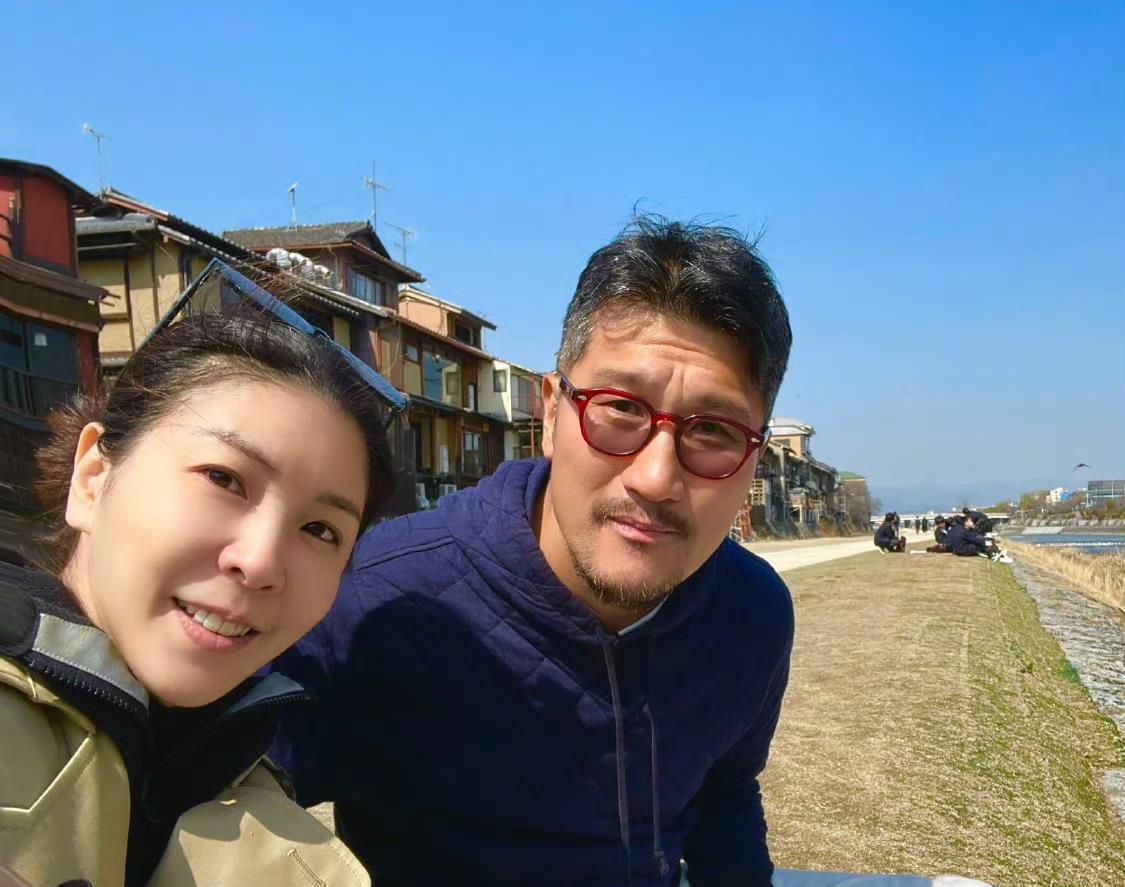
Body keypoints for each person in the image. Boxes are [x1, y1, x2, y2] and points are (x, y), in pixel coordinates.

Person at [269, 218, 795, 886]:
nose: (655, 477)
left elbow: (724, 792)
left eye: (713, 430)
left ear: (755, 458)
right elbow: (228, 800)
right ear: (551, 414)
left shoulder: (752, 614)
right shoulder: (378, 598)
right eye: (619, 409)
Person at [0, 265, 398, 886]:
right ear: (93, 477)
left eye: (321, 530)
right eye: (223, 479)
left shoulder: (248, 784)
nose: (260, 562)